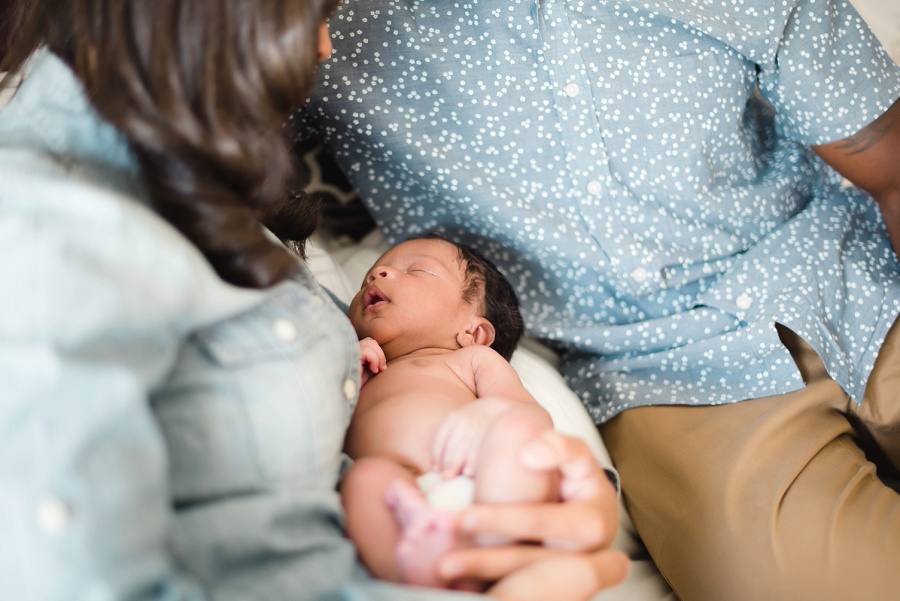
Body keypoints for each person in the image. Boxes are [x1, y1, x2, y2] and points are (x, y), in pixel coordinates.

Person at [0, 1, 629, 600]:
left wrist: (575, 496)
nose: (326, 44)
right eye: (313, 12)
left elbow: (521, 420)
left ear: (475, 330)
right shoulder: (53, 222)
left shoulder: (198, 186)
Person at [294, 0, 900, 599]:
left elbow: (892, 166)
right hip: (651, 371)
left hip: (842, 263)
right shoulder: (312, 22)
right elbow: (211, 154)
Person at [341, 234, 566, 589]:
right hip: (400, 506)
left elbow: (534, 418)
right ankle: (422, 581)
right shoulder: (352, 361)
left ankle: (498, 543)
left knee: (519, 439)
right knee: (362, 479)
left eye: (418, 270)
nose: (377, 273)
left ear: (472, 332)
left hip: (476, 486)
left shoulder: (472, 360)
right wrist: (346, 364)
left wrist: (489, 414)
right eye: (369, 274)